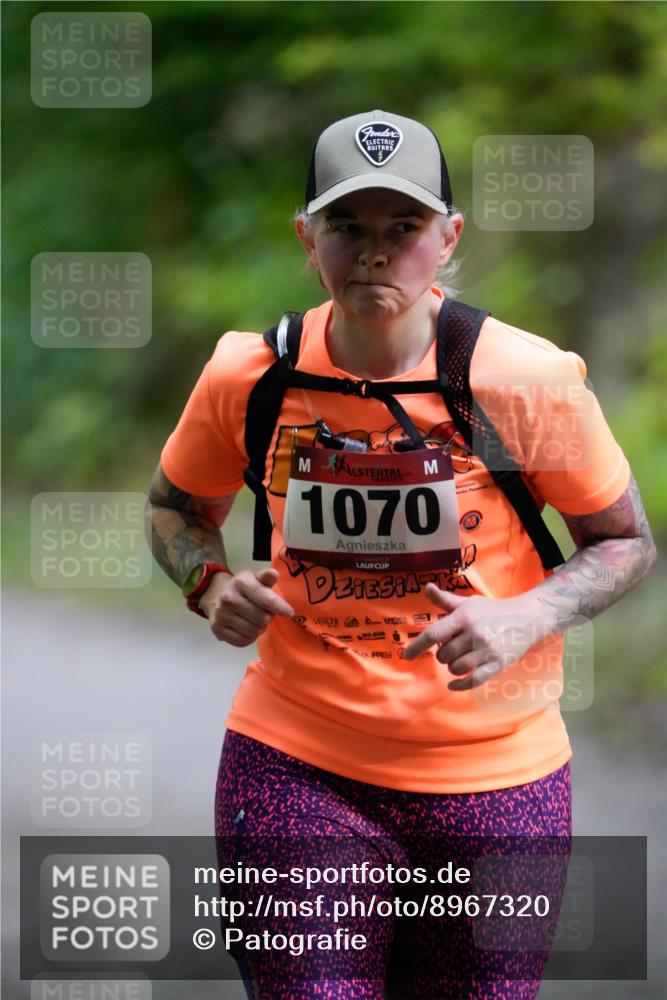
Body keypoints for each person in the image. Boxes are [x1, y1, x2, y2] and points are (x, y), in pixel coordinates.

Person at [146, 111, 656, 999]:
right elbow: (173, 511)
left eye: (403, 228)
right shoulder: (251, 377)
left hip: (500, 782)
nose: (374, 254)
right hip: (296, 766)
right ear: (308, 239)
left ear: (447, 237)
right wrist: (207, 578)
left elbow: (623, 543)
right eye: (348, 228)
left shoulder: (519, 381)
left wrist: (526, 614)